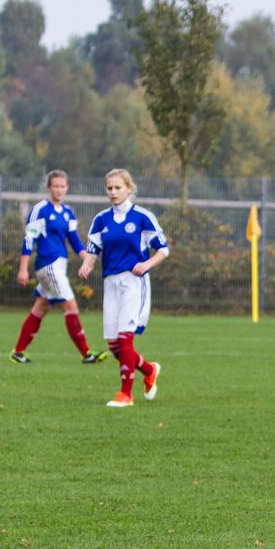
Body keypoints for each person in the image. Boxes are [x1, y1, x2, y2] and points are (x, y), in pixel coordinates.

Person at [78, 169, 169, 408]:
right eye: (109, 188)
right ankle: (149, 370)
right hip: (111, 282)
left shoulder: (142, 217)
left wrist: (146, 264)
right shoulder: (101, 220)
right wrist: (87, 265)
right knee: (114, 345)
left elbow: (163, 249)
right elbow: (92, 251)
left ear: (129, 188)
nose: (113, 192)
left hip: (133, 281)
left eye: (118, 187)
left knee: (125, 338)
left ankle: (125, 395)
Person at [10, 170, 107, 364]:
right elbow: (29, 239)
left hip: (59, 266)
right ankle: (86, 353)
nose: (59, 189)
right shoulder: (40, 209)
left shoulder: (68, 212)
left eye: (63, 186)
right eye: (55, 186)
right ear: (49, 187)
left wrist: (87, 259)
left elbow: (74, 240)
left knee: (40, 308)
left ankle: (17, 352)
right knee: (70, 306)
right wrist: (23, 268)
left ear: (67, 187)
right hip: (48, 264)